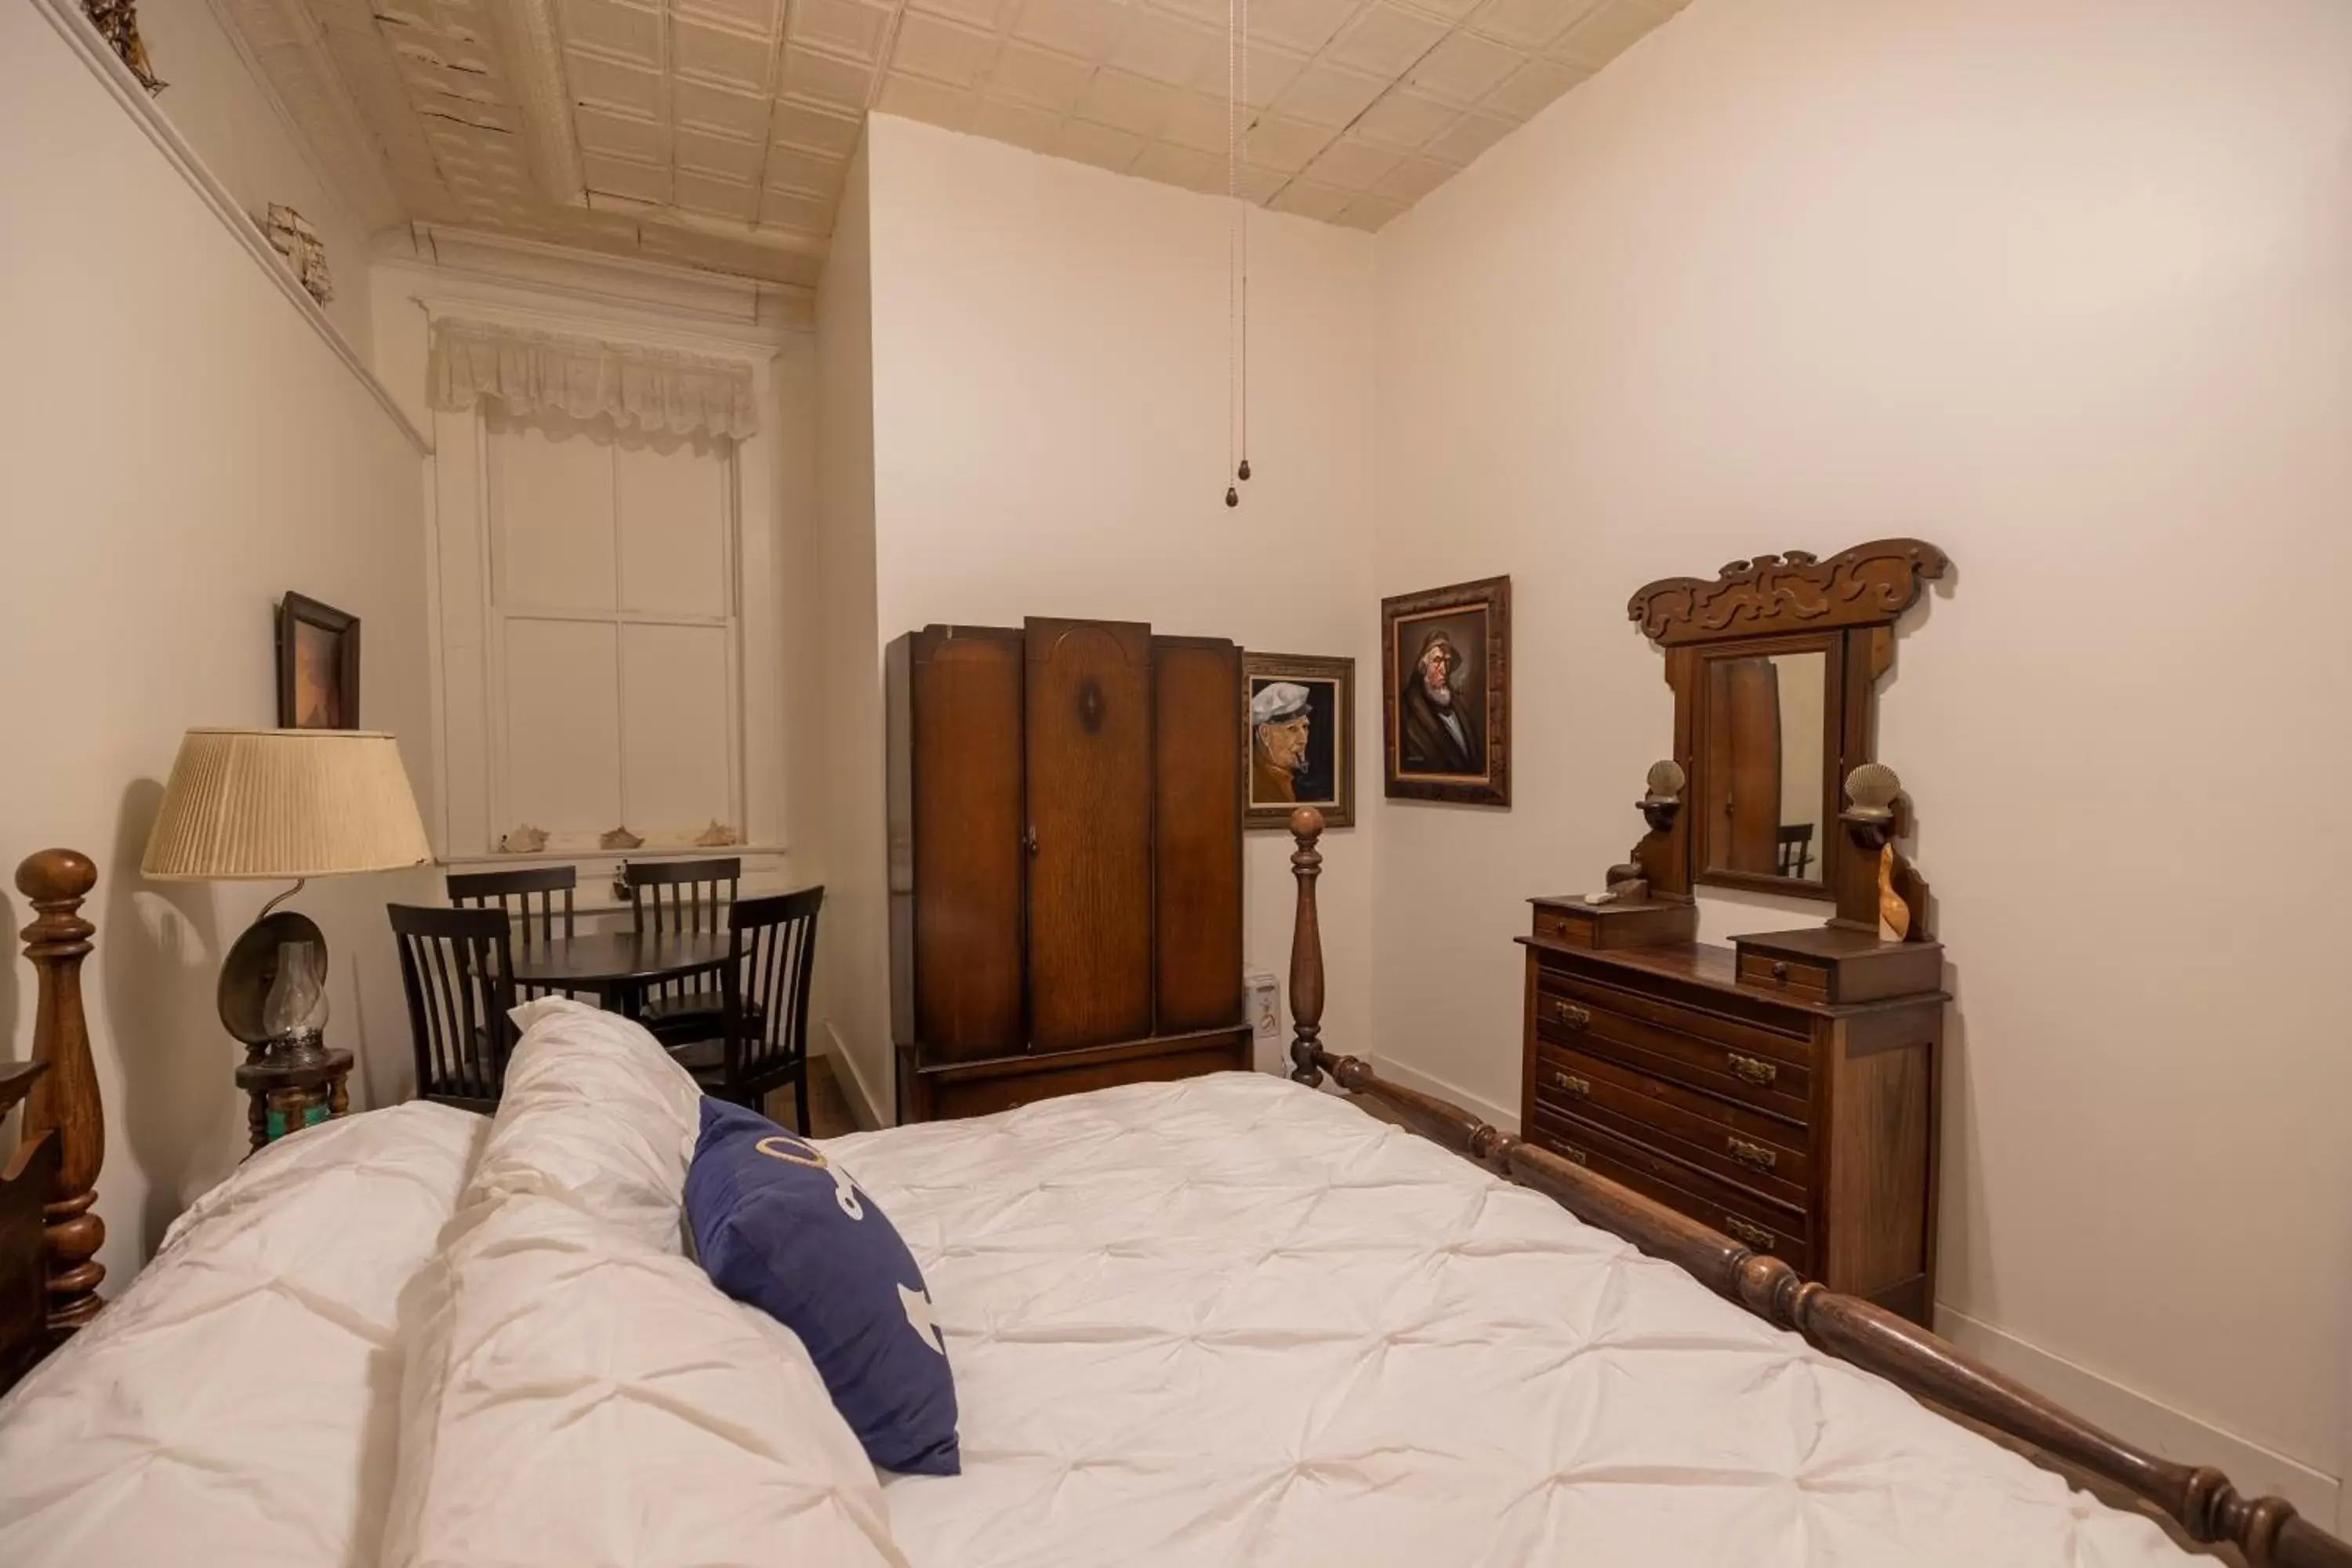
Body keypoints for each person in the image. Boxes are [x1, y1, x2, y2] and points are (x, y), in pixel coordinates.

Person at [1398, 628, 1483, 775]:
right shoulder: (1409, 709)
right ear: (1423, 667)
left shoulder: (1456, 703)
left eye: (1447, 661)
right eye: (1437, 661)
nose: (1444, 669)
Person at [1250, 681, 1312, 804]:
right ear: (1265, 734)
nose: (1303, 740)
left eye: (1304, 727)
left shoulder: (1285, 779)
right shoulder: (1259, 786)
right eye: (1292, 729)